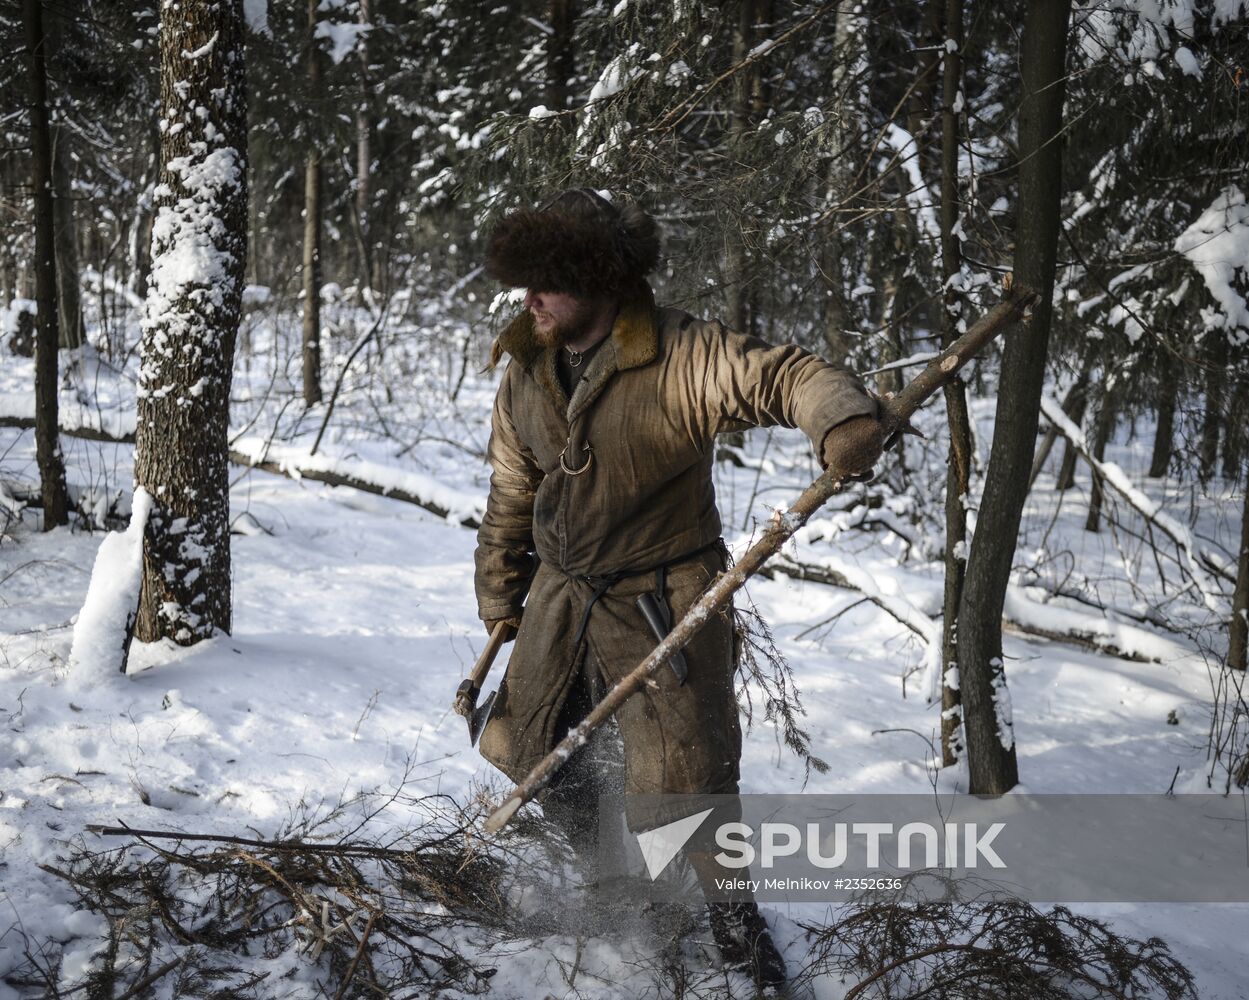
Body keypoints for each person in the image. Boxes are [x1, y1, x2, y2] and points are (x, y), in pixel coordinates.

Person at [474, 187, 883, 990]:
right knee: (525, 746)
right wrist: (501, 592)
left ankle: (733, 920)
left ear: (600, 279)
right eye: (526, 279)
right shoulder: (527, 362)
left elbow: (787, 375)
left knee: (685, 780)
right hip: (561, 597)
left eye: (548, 280)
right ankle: (609, 877)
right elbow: (511, 487)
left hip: (662, 596)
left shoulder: (680, 354)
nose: (531, 298)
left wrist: (838, 419)